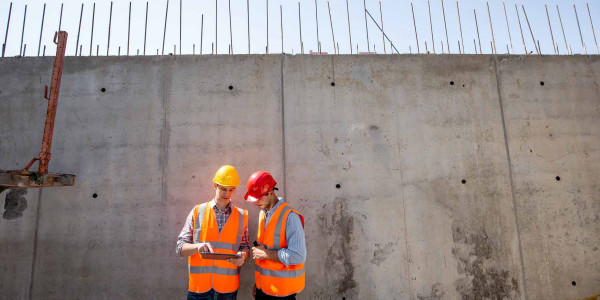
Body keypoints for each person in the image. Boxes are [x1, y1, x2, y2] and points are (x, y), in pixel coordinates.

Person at [176, 165, 250, 300]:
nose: (227, 194)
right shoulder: (198, 211)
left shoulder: (242, 216)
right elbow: (180, 248)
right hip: (199, 289)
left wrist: (243, 257)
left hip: (227, 289)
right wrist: (197, 246)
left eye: (231, 190)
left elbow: (245, 247)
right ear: (214, 185)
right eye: (223, 189)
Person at [244, 171, 306, 300]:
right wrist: (260, 284)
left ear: (271, 192)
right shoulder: (263, 214)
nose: (255, 202)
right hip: (263, 291)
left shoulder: (290, 217)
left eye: (258, 198)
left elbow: (298, 256)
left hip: (282, 294)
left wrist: (266, 254)